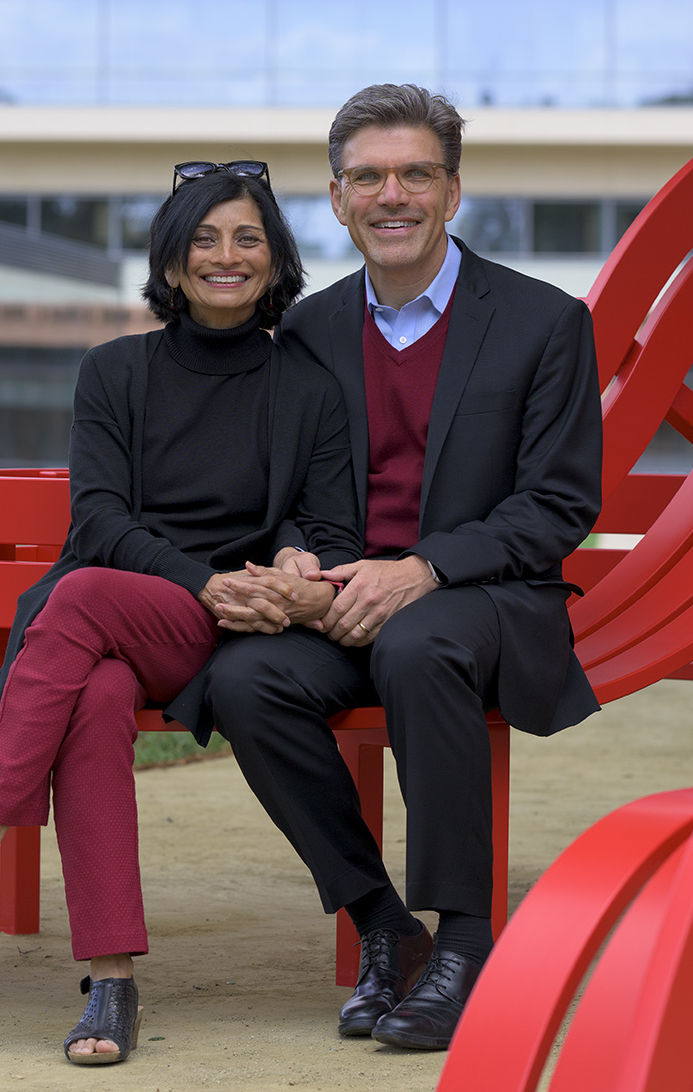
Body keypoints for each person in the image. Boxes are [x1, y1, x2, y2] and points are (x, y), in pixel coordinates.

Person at [0, 163, 360, 1065]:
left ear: (274, 258)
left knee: (79, 594)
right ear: (170, 262)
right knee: (91, 697)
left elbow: (326, 524)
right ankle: (113, 983)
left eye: (247, 237)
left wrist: (290, 565)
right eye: (203, 239)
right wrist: (199, 579)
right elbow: (98, 519)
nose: (225, 256)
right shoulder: (114, 371)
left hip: (224, 632)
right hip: (130, 610)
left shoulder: (310, 387)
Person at [166, 84, 605, 1050]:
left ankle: (467, 940)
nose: (391, 193)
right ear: (336, 198)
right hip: (342, 602)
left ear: (454, 192)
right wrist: (295, 559)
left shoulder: (544, 322)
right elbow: (284, 486)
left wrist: (424, 568)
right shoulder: (312, 329)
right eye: (368, 176)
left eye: (415, 173)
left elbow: (559, 505)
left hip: (483, 601)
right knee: (246, 678)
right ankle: (383, 926)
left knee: (418, 646)